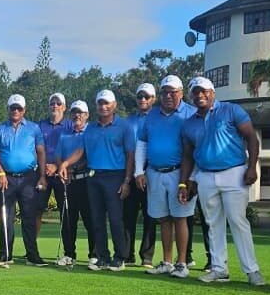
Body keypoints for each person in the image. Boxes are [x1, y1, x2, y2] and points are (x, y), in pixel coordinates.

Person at [179, 77, 266, 285]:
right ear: (191, 96)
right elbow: (188, 156)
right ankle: (219, 268)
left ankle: (252, 270)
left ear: (212, 92)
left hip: (234, 172)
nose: (200, 95)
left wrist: (252, 166)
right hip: (206, 176)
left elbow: (252, 138)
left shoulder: (231, 110)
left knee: (238, 221)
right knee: (213, 223)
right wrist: (185, 182)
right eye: (195, 92)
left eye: (204, 91)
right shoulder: (189, 124)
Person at [57, 90, 135, 271]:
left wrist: (127, 180)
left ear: (114, 105)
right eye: (100, 103)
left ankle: (120, 258)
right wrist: (65, 164)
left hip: (115, 176)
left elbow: (130, 154)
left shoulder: (124, 126)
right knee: (97, 219)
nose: (103, 106)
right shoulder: (90, 128)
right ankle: (102, 257)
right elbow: (80, 151)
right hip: (94, 177)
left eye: (107, 103)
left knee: (115, 219)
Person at [134, 76, 197, 278]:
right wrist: (139, 171)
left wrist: (190, 179)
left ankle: (181, 263)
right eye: (165, 92)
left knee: (180, 217)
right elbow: (142, 144)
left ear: (181, 93)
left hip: (179, 172)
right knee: (163, 218)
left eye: (173, 92)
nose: (168, 96)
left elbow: (196, 147)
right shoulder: (151, 115)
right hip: (155, 172)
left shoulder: (191, 113)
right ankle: (167, 261)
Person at [0, 94, 48, 266]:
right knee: (6, 218)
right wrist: (0, 173)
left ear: (24, 110)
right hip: (6, 179)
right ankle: (5, 254)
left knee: (29, 218)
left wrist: (42, 176)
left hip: (29, 178)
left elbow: (41, 152)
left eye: (19, 108)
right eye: (13, 108)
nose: (16, 111)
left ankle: (32, 255)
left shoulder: (34, 129)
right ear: (8, 109)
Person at [54, 100, 95, 267]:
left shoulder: (91, 132)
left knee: (90, 220)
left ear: (87, 115)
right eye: (74, 112)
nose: (77, 115)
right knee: (68, 220)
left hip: (86, 180)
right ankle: (69, 254)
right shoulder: (64, 134)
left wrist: (70, 166)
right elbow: (58, 156)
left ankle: (94, 254)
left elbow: (87, 155)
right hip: (68, 182)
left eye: (81, 112)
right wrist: (62, 168)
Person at [124, 83, 158, 266]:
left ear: (153, 99)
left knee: (150, 215)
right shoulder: (129, 120)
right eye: (140, 96)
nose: (142, 100)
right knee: (128, 215)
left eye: (146, 96)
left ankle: (147, 255)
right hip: (130, 169)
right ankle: (127, 254)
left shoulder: (158, 118)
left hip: (151, 168)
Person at [37, 92, 73, 240]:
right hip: (43, 174)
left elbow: (74, 149)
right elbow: (36, 150)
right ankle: (32, 250)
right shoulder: (39, 126)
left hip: (63, 174)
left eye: (58, 103)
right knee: (36, 211)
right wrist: (44, 168)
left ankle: (68, 251)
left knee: (65, 212)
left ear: (64, 107)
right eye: (52, 103)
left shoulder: (70, 125)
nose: (55, 106)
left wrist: (57, 167)